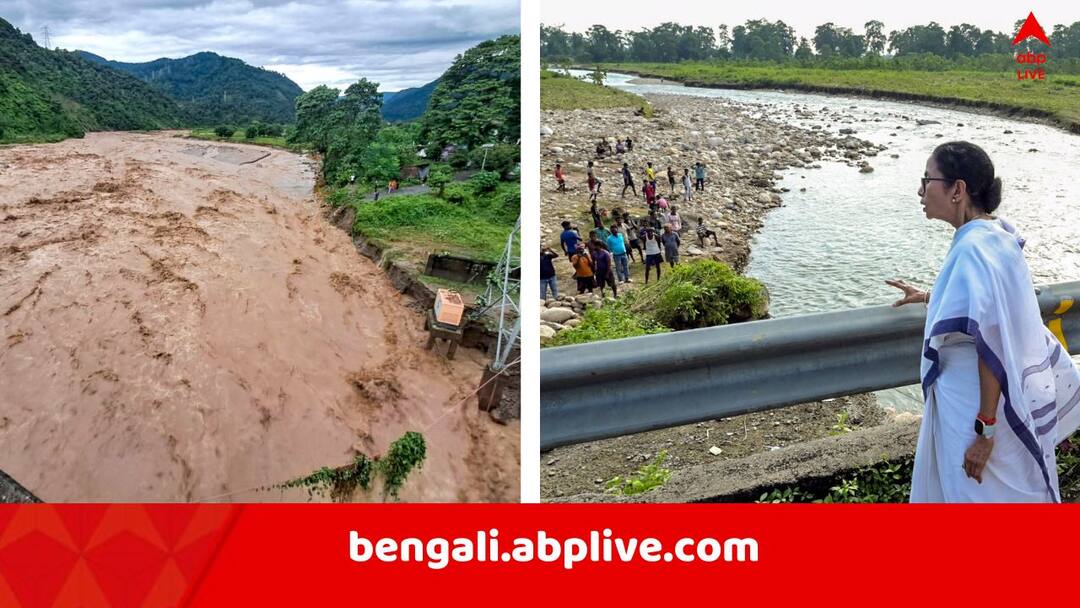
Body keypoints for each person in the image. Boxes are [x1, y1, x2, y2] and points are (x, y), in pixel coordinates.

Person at [888, 141, 1080, 503]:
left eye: (927, 179)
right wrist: (933, 297)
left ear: (957, 190)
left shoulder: (973, 249)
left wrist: (984, 431)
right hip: (1002, 402)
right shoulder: (996, 235)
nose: (920, 190)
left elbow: (991, 337)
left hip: (976, 407)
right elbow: (1001, 309)